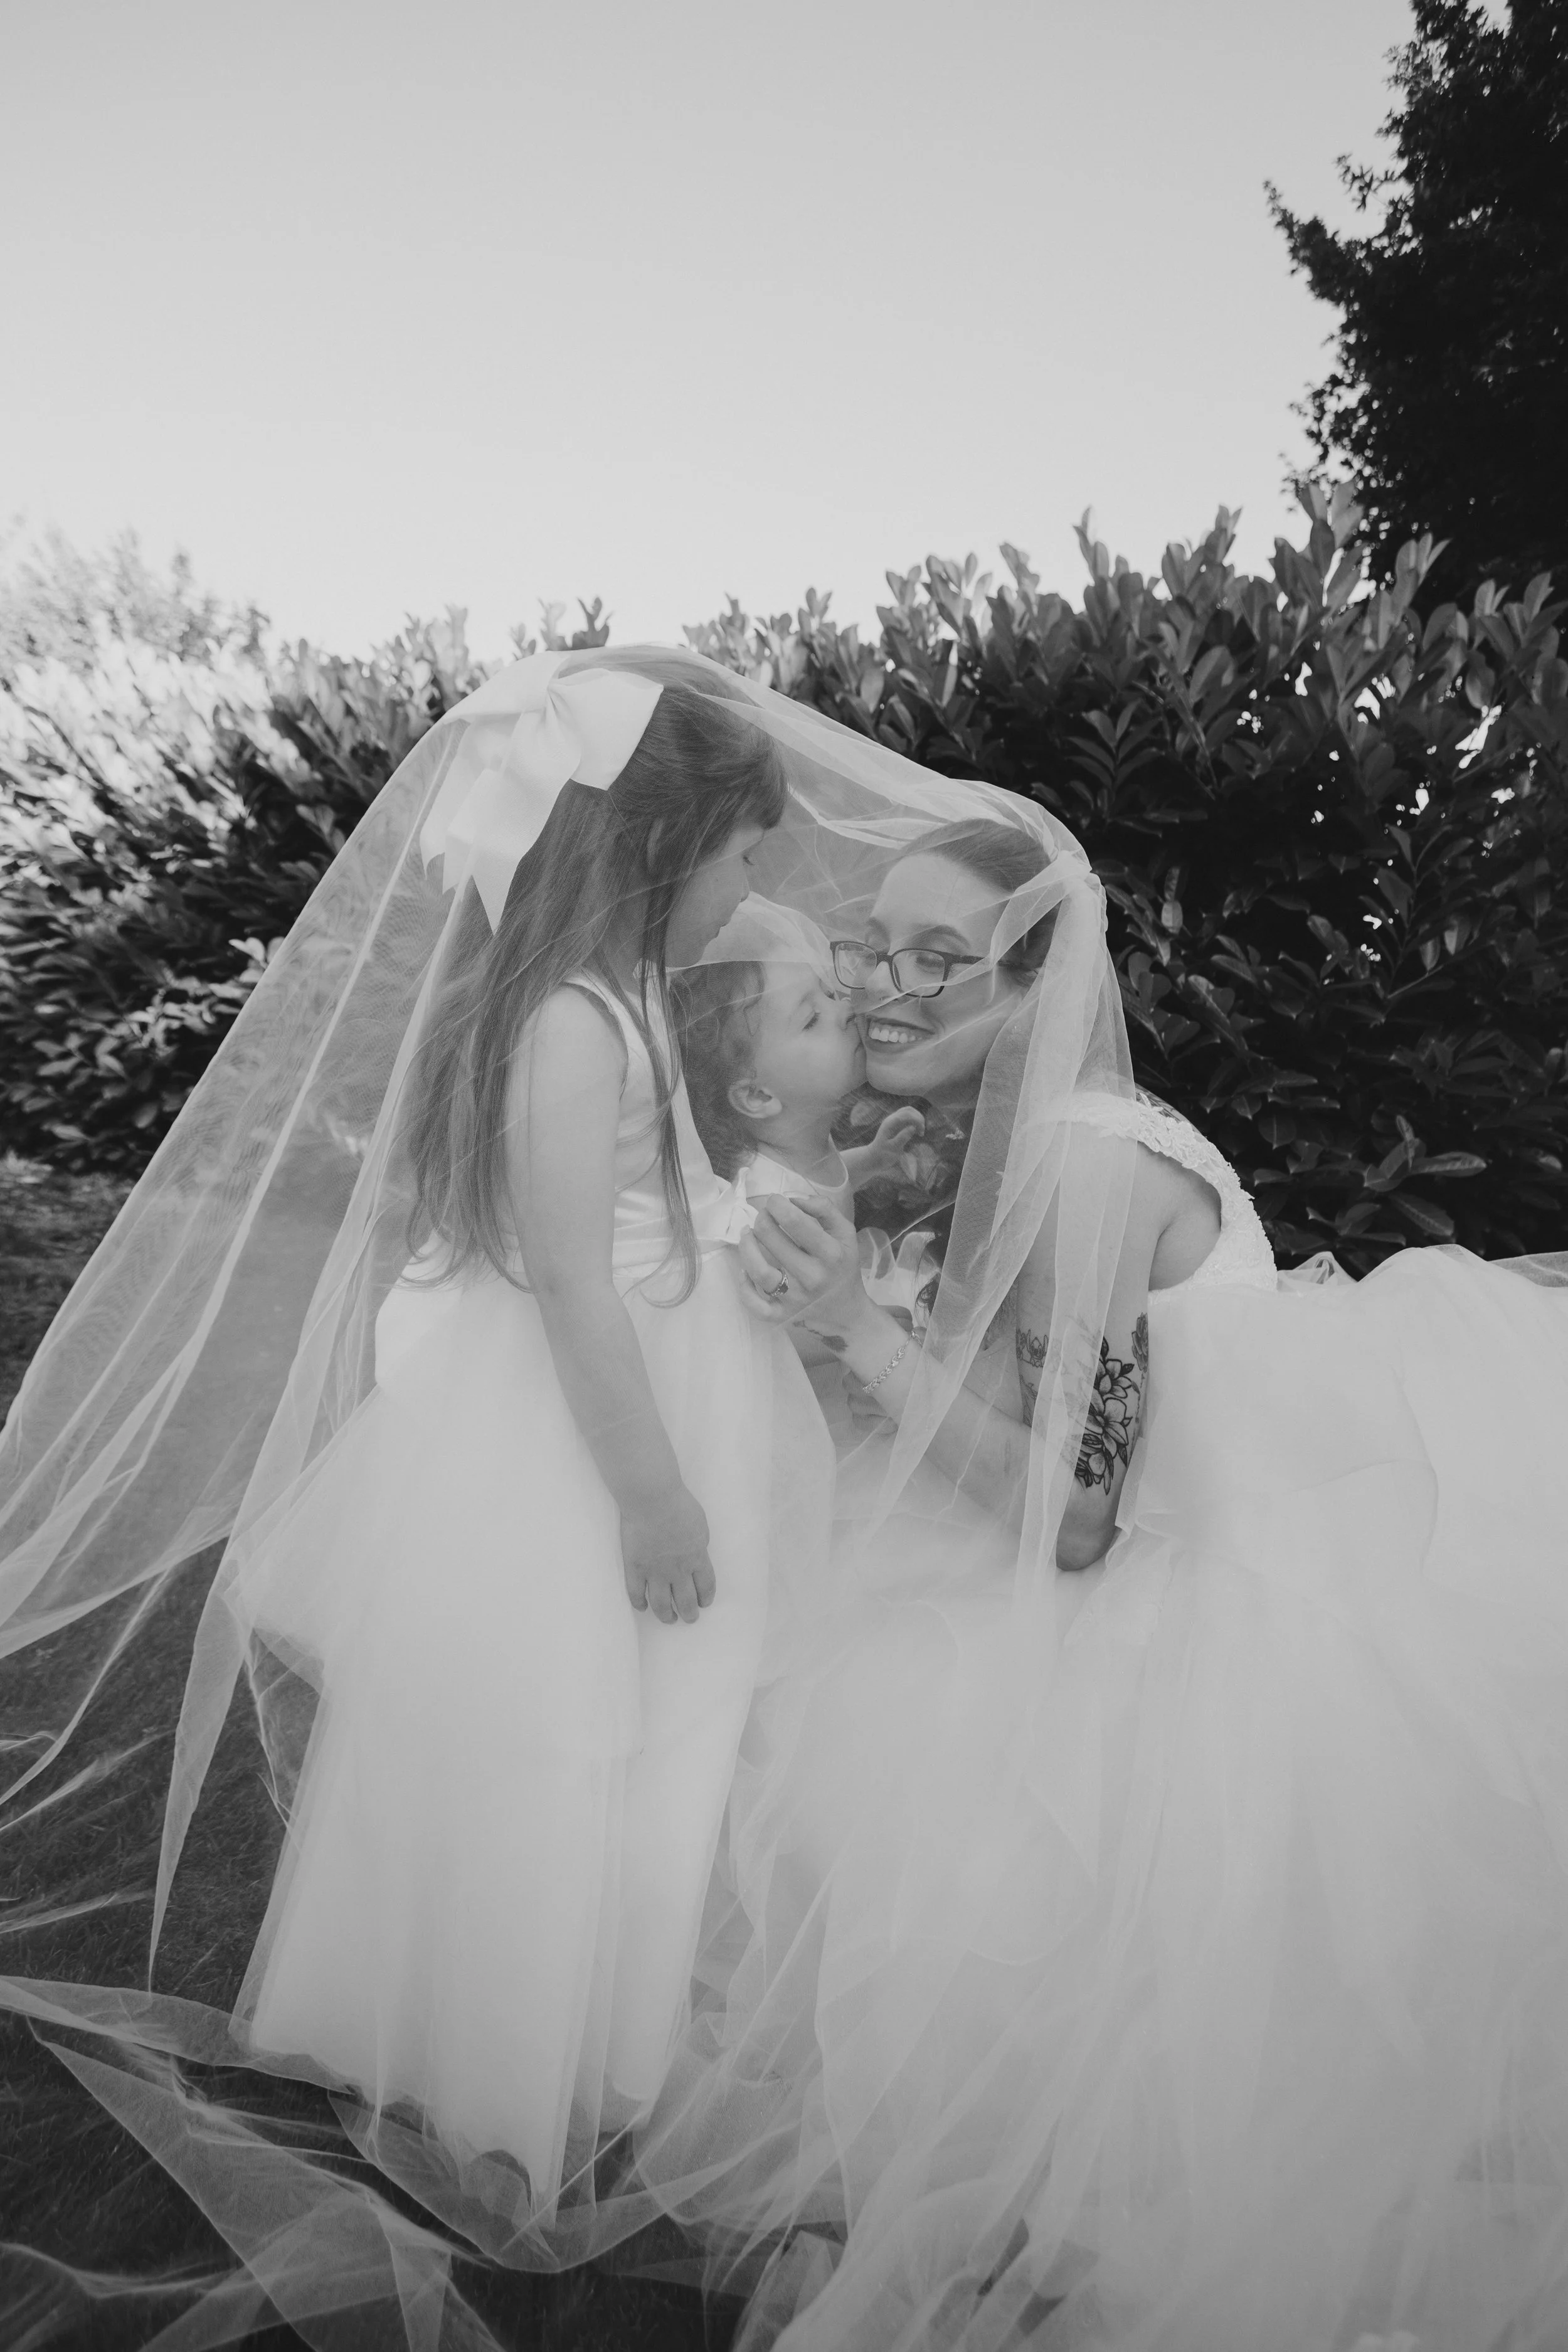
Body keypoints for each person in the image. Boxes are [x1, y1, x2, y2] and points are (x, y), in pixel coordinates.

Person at [628, 817, 1568, 2352]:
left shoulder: (1073, 1158)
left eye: (938, 960)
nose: (882, 985)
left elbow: (1075, 1518)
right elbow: (992, 1411)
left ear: (1040, 984)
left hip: (1228, 1597)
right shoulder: (995, 1133)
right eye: (877, 948)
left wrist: (854, 1330)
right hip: (1153, 1547)